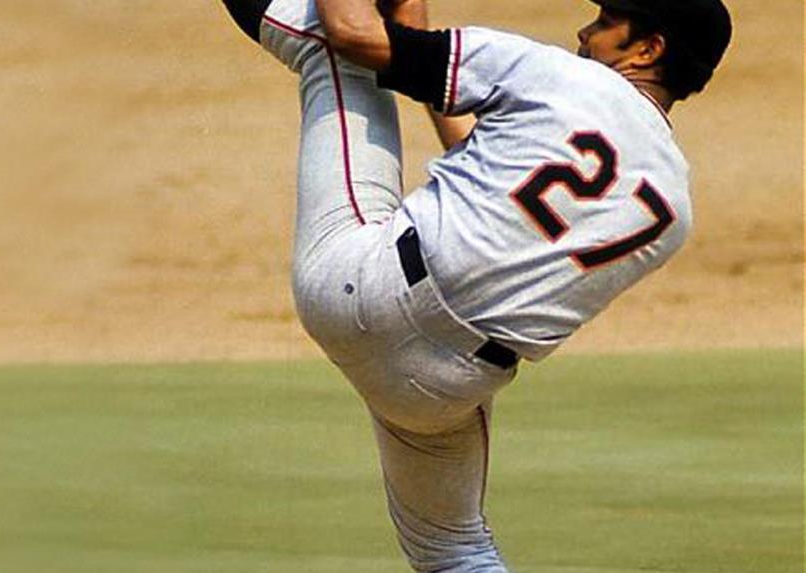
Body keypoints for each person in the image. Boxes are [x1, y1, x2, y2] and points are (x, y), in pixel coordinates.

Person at [219, 0, 732, 570]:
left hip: (359, 289)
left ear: (648, 49)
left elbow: (355, 35)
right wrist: (409, 15)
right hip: (442, 391)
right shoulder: (671, 211)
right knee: (456, 551)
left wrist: (385, 27)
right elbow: (485, 172)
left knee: (327, 48)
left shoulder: (559, 77)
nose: (585, 31)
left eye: (608, 21)